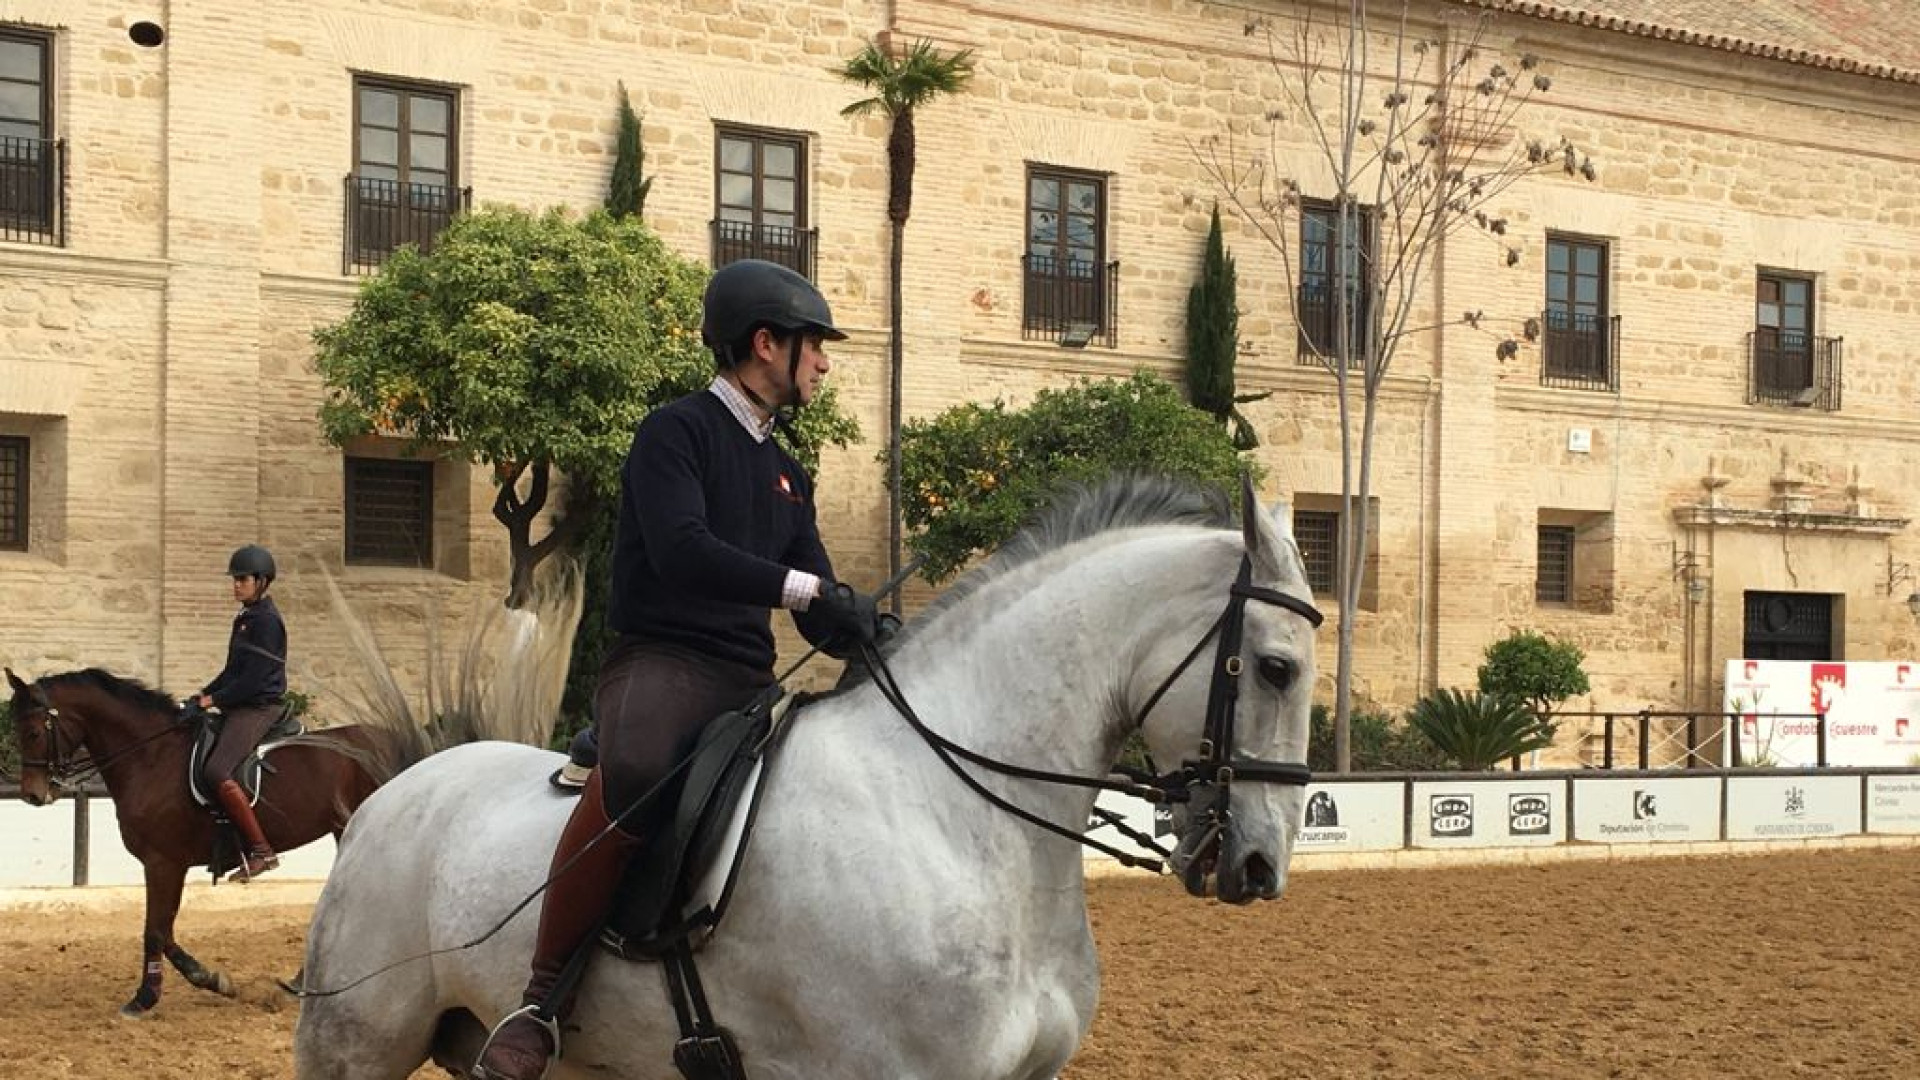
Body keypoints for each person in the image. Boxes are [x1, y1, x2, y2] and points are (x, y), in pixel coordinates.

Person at [475, 259, 888, 1080]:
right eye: (814, 346)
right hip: (663, 662)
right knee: (635, 770)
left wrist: (866, 626)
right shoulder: (676, 433)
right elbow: (683, 551)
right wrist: (805, 587)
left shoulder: (788, 473)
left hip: (748, 679)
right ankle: (542, 1002)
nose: (823, 363)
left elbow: (813, 601)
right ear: (766, 344)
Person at [195, 544, 288, 881]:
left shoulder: (267, 621)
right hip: (241, 703)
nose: (236, 585)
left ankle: (261, 851)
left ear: (261, 581)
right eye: (234, 579)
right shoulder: (247, 618)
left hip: (258, 707)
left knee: (217, 770)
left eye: (242, 579)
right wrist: (203, 694)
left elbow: (253, 680)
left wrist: (214, 699)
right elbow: (233, 671)